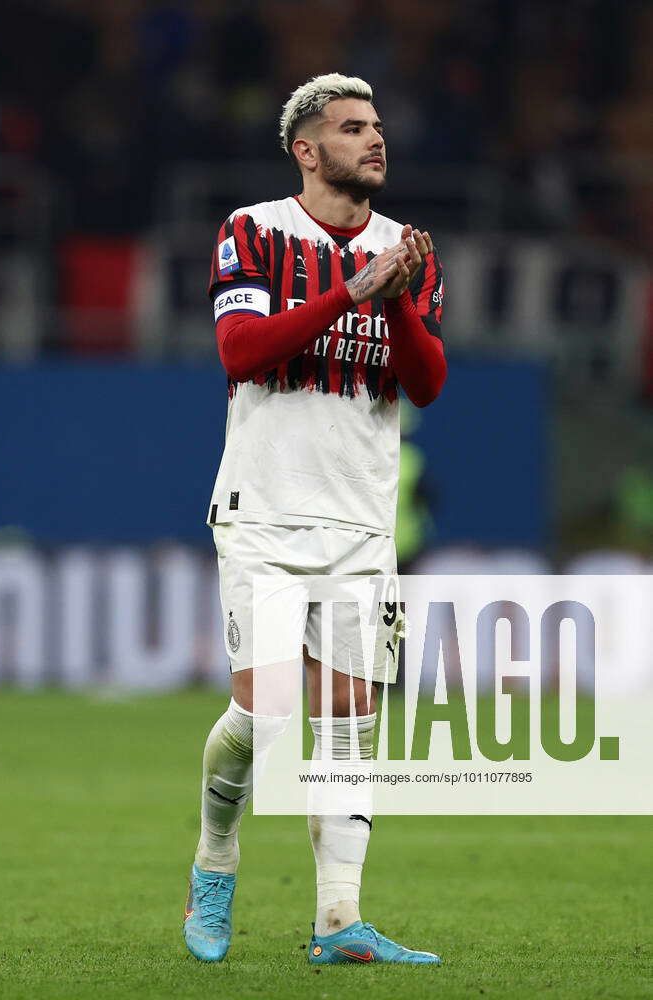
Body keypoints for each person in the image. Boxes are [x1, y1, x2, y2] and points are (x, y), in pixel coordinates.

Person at [184, 73, 447, 966]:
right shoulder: (254, 232)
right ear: (306, 149)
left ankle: (339, 919)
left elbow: (424, 384)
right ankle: (215, 860)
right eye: (352, 128)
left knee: (347, 717)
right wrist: (350, 291)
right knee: (267, 711)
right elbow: (241, 351)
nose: (374, 140)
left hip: (360, 522)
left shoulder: (410, 251)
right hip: (263, 508)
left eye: (377, 126)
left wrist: (399, 294)